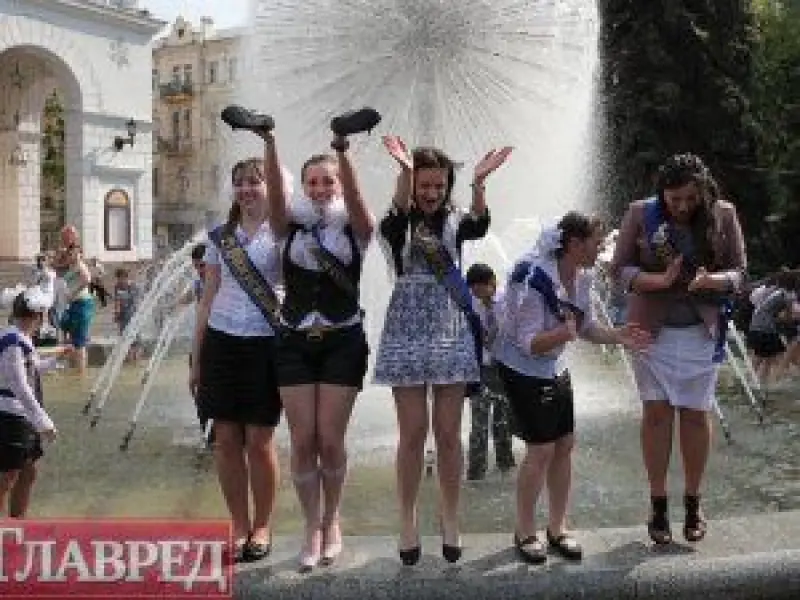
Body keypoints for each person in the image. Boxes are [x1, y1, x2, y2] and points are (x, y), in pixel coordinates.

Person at [372, 134, 512, 565]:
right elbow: (396, 215)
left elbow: (480, 224)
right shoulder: (397, 223)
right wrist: (403, 172)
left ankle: (451, 517)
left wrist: (479, 183)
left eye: (438, 185)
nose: (431, 193)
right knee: (412, 433)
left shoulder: (455, 221)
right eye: (424, 185)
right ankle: (408, 519)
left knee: (449, 435)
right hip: (406, 328)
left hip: (450, 327)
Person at [253, 107, 375, 572]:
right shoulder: (288, 226)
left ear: (339, 186)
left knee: (330, 438)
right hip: (295, 341)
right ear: (302, 188)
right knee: (302, 440)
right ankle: (310, 526)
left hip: (343, 339)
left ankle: (332, 519)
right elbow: (274, 193)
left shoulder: (354, 228)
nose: (321, 189)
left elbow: (360, 202)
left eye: (328, 182)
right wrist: (269, 141)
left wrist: (342, 150)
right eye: (313, 183)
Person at [494, 212, 650, 564]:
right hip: (522, 368)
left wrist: (619, 336)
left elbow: (586, 327)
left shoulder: (582, 277)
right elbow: (529, 343)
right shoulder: (534, 278)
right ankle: (524, 531)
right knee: (541, 450)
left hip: (554, 367)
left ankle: (558, 527)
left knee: (565, 444)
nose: (602, 248)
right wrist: (563, 334)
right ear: (576, 244)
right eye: (597, 242)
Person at [610, 153, 747, 545]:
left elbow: (740, 272)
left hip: (700, 331)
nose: (683, 206)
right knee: (656, 414)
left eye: (690, 198)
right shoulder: (641, 213)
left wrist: (715, 281)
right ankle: (657, 504)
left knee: (695, 414)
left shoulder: (724, 214)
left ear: (702, 192)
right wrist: (657, 280)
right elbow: (618, 270)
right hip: (651, 331)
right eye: (674, 200)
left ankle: (693, 502)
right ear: (662, 194)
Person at [190, 157, 283, 563]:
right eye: (240, 182)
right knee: (225, 440)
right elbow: (206, 298)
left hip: (265, 343)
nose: (246, 189)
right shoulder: (219, 237)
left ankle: (262, 525)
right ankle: (239, 524)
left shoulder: (281, 233)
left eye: (254, 182)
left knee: (260, 441)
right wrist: (196, 358)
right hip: (222, 342)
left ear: (268, 187)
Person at [0, 288, 69, 517]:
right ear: (37, 315)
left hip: (23, 415)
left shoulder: (21, 338)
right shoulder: (12, 341)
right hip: (11, 415)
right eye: (43, 314)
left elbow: (33, 368)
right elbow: (19, 385)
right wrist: (43, 421)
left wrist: (56, 359)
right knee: (8, 475)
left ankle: (18, 522)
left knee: (28, 472)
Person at [464, 262, 515, 480]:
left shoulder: (508, 301)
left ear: (492, 282)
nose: (477, 294)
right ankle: (476, 472)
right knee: (479, 423)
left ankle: (506, 466)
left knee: (503, 421)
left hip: (504, 368)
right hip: (480, 369)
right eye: (473, 290)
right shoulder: (470, 304)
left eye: (481, 288)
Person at [59, 244, 95, 373]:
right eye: (70, 253)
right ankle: (76, 369)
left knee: (79, 341)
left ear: (80, 254)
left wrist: (73, 293)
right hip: (74, 304)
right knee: (73, 337)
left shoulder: (80, 265)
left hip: (82, 303)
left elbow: (87, 280)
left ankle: (81, 372)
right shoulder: (72, 266)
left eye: (76, 253)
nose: (73, 255)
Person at [113, 268, 140, 362]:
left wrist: (131, 314)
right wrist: (116, 313)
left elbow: (134, 302)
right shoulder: (117, 286)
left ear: (125, 277)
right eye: (118, 278)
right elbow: (117, 300)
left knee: (134, 338)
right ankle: (129, 357)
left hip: (133, 314)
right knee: (124, 336)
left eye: (121, 278)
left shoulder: (133, 286)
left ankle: (135, 357)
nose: (120, 281)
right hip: (123, 315)